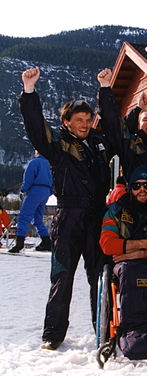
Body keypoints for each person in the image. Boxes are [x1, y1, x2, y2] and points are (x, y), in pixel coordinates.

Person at [19, 67, 113, 351]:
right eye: (79, 120)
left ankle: (104, 331)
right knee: (62, 278)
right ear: (67, 122)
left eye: (87, 119)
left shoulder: (98, 143)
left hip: (97, 217)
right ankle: (53, 334)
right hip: (68, 217)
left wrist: (106, 90)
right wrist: (29, 91)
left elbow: (113, 125)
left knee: (100, 278)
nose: (84, 124)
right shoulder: (57, 144)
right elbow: (36, 128)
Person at [99, 166, 147, 360]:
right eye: (136, 186)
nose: (142, 190)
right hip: (124, 269)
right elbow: (107, 244)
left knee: (144, 273)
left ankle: (144, 335)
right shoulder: (115, 211)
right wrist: (143, 244)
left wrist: (136, 253)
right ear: (129, 188)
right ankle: (133, 334)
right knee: (130, 273)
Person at [97, 68, 147, 211]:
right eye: (145, 120)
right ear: (138, 125)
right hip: (135, 211)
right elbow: (113, 125)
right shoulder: (130, 144)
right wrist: (105, 87)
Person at [9, 150, 53, 253]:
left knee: (24, 216)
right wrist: (48, 192)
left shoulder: (34, 163)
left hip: (35, 191)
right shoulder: (49, 164)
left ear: (37, 152)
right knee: (37, 218)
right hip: (45, 192)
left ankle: (19, 243)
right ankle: (46, 241)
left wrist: (23, 190)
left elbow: (28, 179)